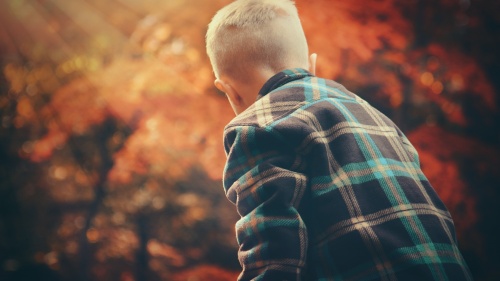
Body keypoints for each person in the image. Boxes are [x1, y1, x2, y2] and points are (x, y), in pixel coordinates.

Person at [205, 0, 473, 280]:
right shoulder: (379, 120)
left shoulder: (257, 128)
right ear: (312, 65)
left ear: (230, 91)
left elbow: (274, 254)